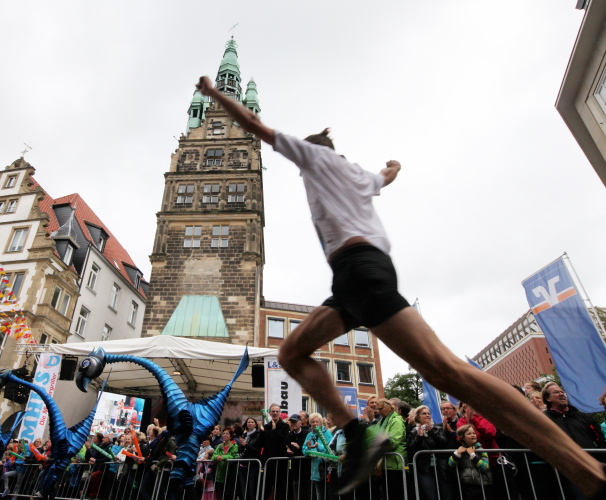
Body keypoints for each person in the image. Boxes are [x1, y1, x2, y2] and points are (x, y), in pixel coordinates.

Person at [196, 74, 606, 499]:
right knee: (291, 353)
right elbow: (385, 176)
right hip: (353, 280)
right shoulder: (358, 175)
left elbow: (255, 125)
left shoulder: (314, 157)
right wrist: (394, 167)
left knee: (449, 373)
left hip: (360, 272)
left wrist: (213, 93)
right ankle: (359, 434)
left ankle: (587, 471)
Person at [543, 383, 605, 500]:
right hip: (568, 470)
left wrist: (602, 460)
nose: (561, 394)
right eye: (556, 392)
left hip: (592, 466)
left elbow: (599, 439)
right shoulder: (544, 419)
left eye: (562, 392)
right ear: (547, 398)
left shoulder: (583, 416)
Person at [408, 405, 450, 500]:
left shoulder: (438, 429)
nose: (427, 415)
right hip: (424, 469)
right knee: (431, 495)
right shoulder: (414, 431)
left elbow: (444, 443)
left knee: (445, 494)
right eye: (424, 413)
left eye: (428, 413)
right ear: (418, 417)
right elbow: (411, 449)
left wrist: (431, 432)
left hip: (440, 467)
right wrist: (419, 437)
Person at [448, 424, 493, 500]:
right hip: (468, 485)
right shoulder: (461, 450)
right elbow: (451, 463)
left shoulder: (481, 450)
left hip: (484, 485)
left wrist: (473, 455)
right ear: (462, 437)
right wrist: (457, 454)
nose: (473, 435)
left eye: (474, 433)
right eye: (469, 434)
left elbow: (485, 467)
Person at [374, 398, 407, 500]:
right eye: (378, 409)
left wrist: (379, 443)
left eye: (380, 409)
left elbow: (394, 442)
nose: (379, 411)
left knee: (395, 494)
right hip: (386, 464)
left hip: (395, 464)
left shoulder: (396, 421)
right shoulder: (383, 421)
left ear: (388, 408)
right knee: (387, 494)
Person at [259, 404, 290, 499]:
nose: (275, 413)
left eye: (277, 411)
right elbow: (263, 443)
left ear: (280, 413)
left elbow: (283, 441)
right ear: (270, 413)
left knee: (280, 486)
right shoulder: (266, 426)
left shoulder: (285, 426)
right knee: (266, 485)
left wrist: (275, 430)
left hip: (280, 461)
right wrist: (262, 432)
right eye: (273, 411)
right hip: (268, 460)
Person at [302, 413, 333, 500]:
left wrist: (318, 446)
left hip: (326, 467)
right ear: (310, 424)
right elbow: (304, 450)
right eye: (313, 422)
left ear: (321, 423)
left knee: (329, 494)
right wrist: (309, 449)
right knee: (319, 494)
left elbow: (329, 450)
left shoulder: (327, 433)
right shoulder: (309, 435)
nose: (315, 424)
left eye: (317, 422)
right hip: (315, 469)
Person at [211, 428, 238, 500]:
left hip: (230, 473)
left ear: (231, 436)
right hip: (220, 473)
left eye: (227, 433)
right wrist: (217, 457)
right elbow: (214, 455)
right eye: (224, 433)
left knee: (229, 494)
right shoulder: (220, 445)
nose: (225, 435)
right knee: (220, 494)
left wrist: (223, 457)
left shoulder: (234, 445)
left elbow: (234, 457)